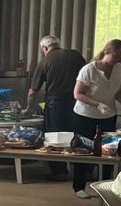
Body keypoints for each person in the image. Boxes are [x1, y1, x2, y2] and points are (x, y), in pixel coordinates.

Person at [72, 39, 121, 199]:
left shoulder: (119, 69)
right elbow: (78, 94)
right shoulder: (89, 69)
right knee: (83, 150)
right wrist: (98, 104)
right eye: (115, 56)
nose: (117, 60)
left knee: (109, 150)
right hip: (85, 115)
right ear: (106, 53)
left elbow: (118, 91)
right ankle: (79, 187)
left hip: (108, 115)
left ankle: (105, 186)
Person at [26, 35, 87, 180]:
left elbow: (33, 91)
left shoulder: (45, 61)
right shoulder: (76, 56)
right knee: (79, 135)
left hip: (56, 102)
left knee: (55, 136)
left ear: (45, 48)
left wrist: (28, 109)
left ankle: (59, 171)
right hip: (78, 101)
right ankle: (85, 170)